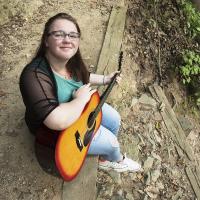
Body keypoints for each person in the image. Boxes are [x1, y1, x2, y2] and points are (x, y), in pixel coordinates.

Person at [19, 13, 141, 175]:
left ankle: (103, 158)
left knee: (115, 120)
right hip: (61, 131)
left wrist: (105, 79)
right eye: (59, 34)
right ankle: (116, 160)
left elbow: (83, 76)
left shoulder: (71, 61)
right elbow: (55, 120)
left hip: (82, 109)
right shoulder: (33, 75)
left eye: (73, 35)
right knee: (112, 143)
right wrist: (80, 100)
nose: (67, 39)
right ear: (46, 40)